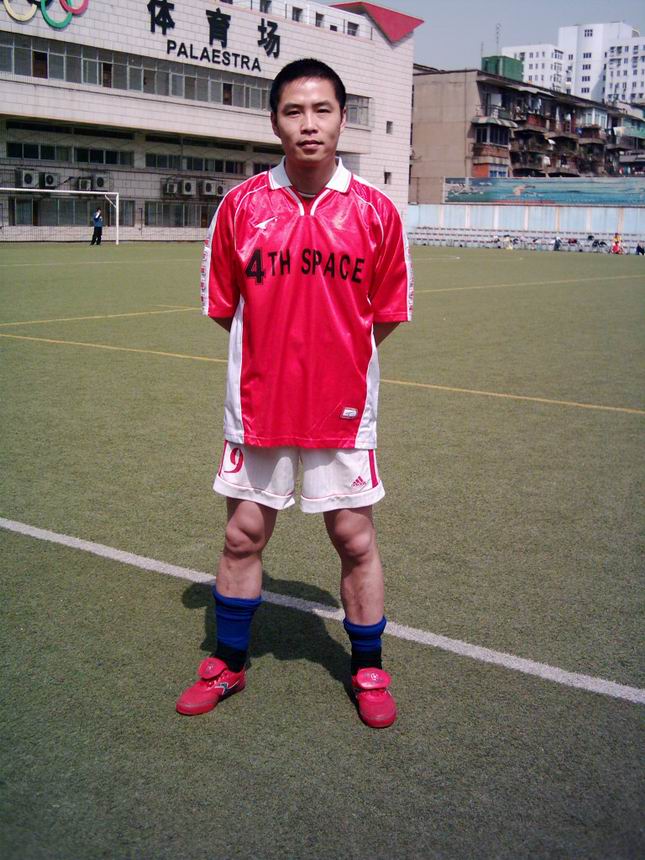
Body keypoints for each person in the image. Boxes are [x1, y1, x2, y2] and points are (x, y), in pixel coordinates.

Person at [177, 58, 413, 729]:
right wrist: (276, 356)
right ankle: (228, 662)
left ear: (342, 119)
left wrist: (338, 362)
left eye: (322, 110)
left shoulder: (375, 211)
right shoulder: (240, 206)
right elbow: (226, 307)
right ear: (275, 122)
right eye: (293, 111)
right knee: (243, 535)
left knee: (354, 538)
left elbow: (385, 314)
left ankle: (367, 669)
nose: (309, 124)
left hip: (343, 408)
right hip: (259, 404)